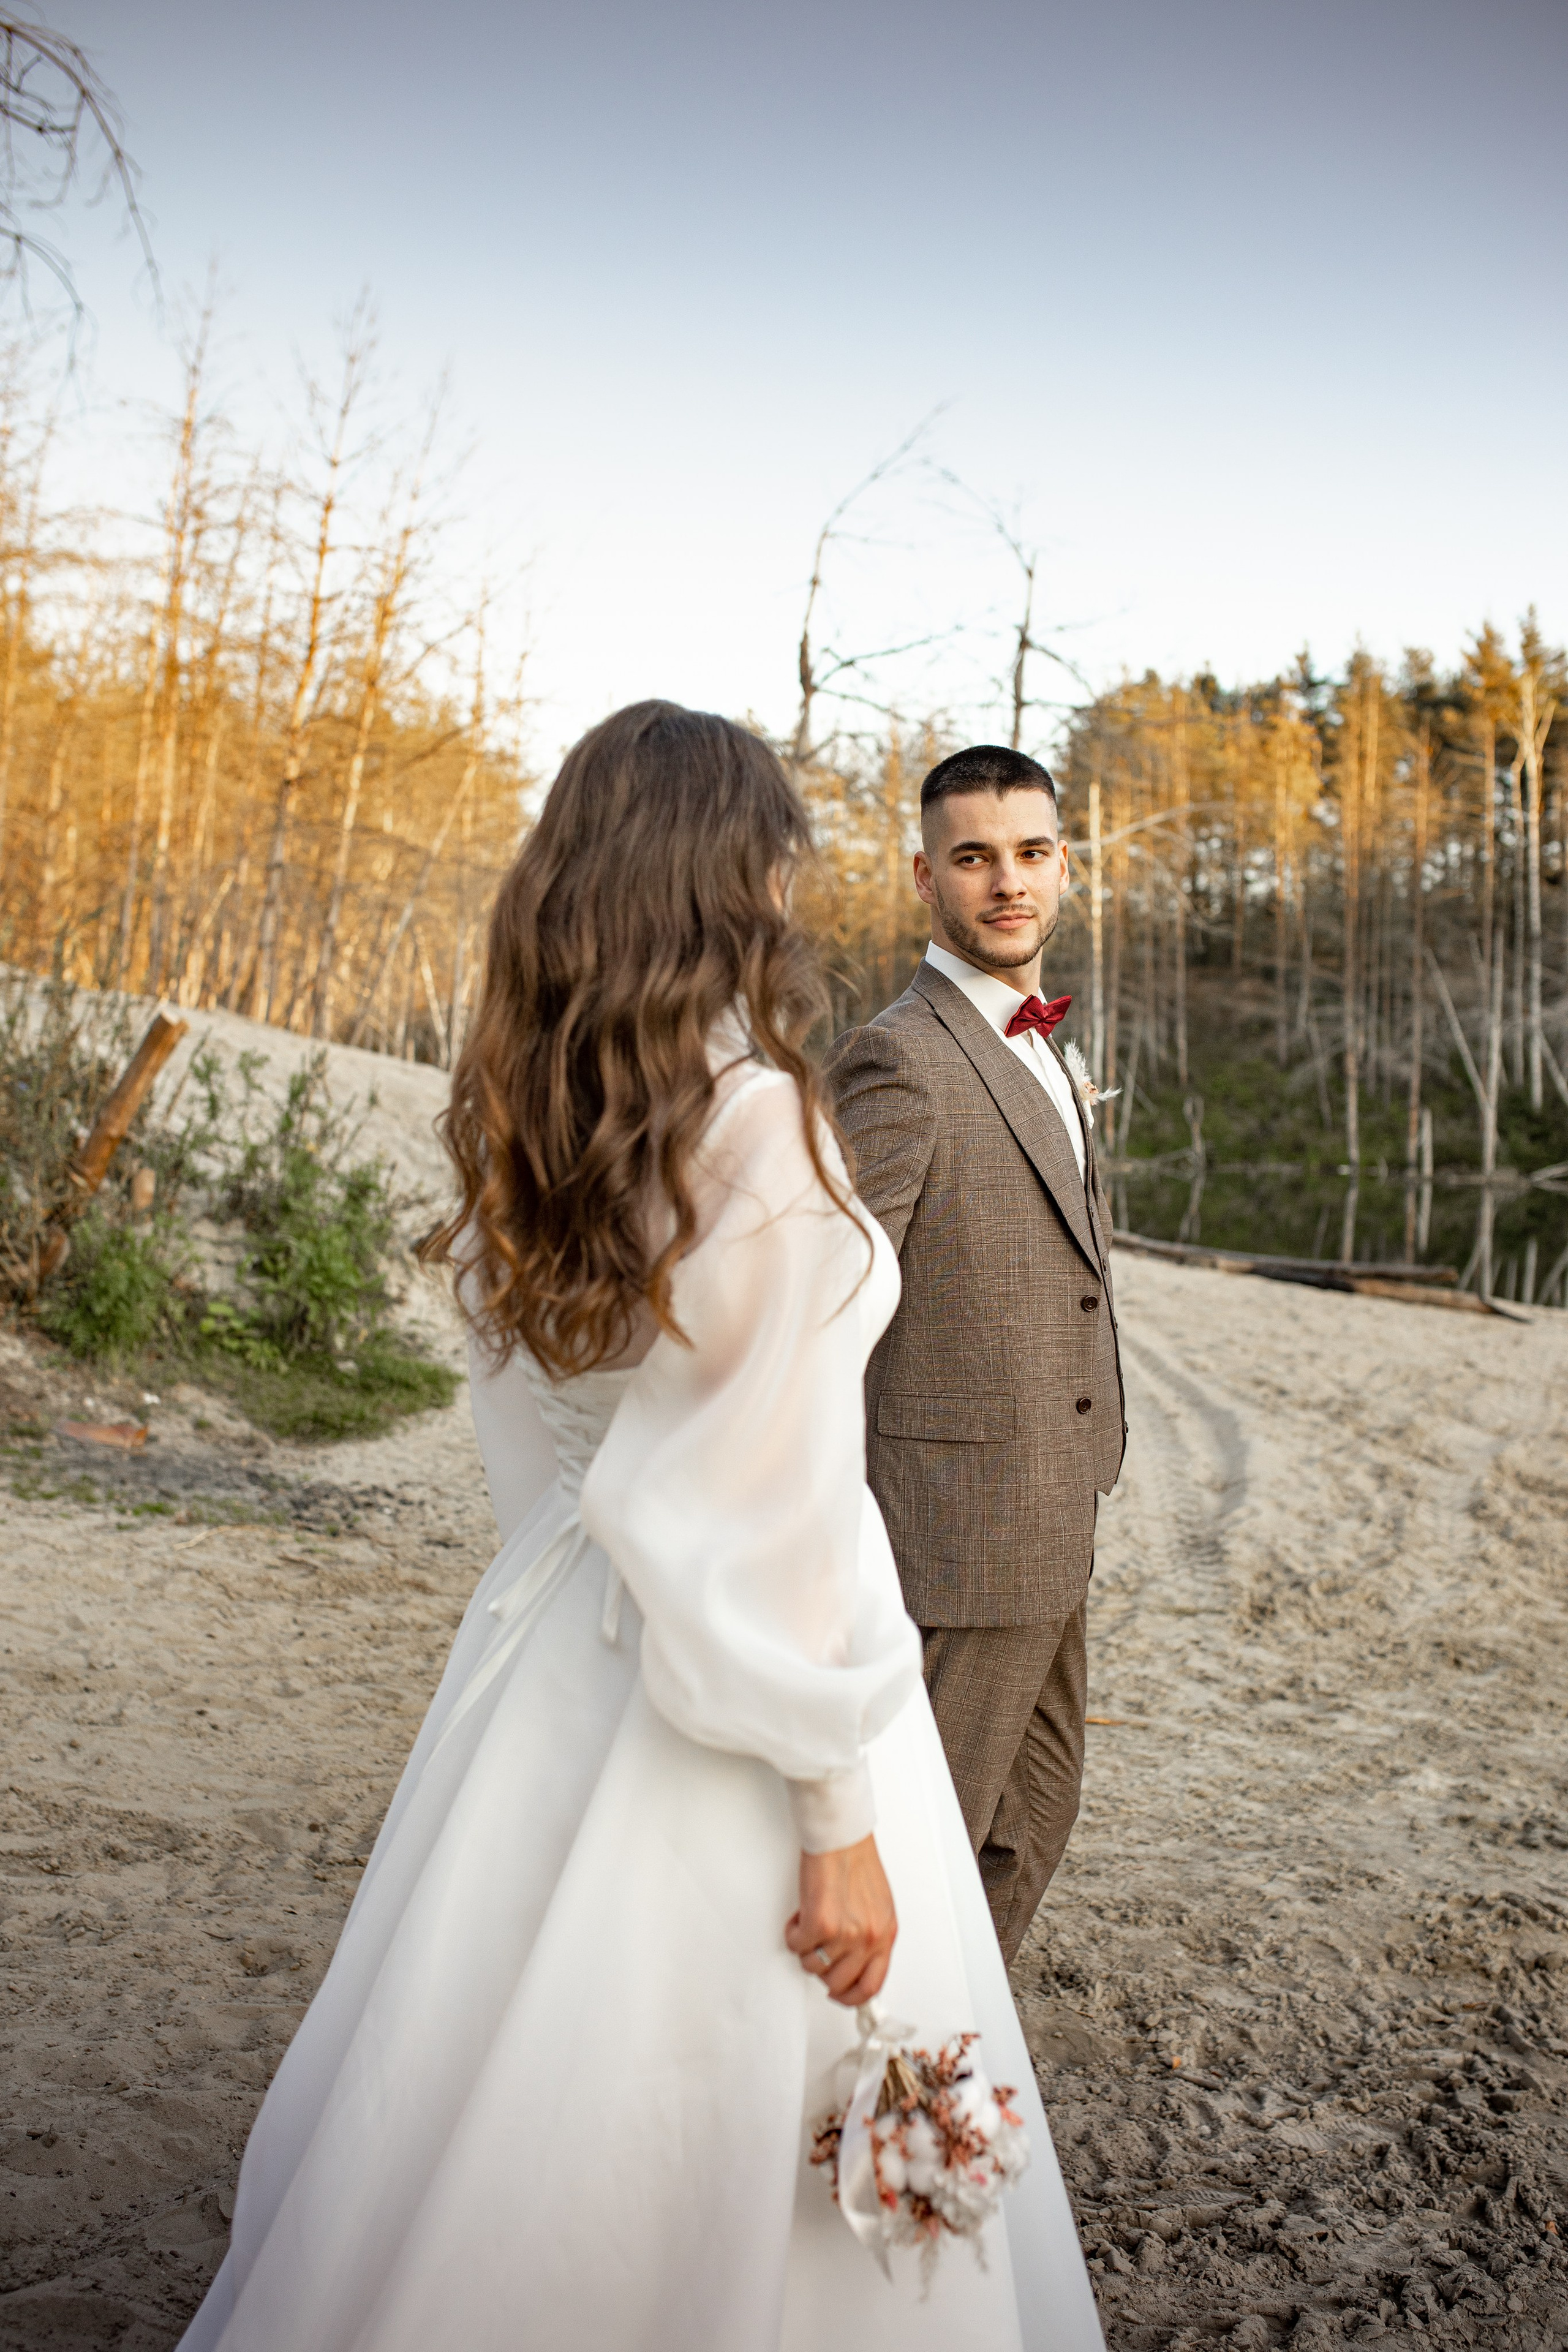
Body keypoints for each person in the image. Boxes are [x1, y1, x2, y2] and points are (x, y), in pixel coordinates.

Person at [175, 704, 1102, 2352]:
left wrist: (576, 1583)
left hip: (552, 1652)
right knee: (802, 2091)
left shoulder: (535, 1113)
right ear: (731, 879)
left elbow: (526, 1439)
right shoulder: (758, 1125)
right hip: (751, 1695)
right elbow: (775, 1494)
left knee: (492, 2080)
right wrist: (834, 1805)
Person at [826, 745, 1125, 1968]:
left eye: (1029, 852)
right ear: (922, 877)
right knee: (920, 1849)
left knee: (1030, 1823)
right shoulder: (897, 1059)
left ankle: (953, 2074)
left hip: (1055, 1511)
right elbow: (824, 1316)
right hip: (951, 1533)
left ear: (1064, 864)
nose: (1007, 883)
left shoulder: (1042, 1043)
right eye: (972, 857)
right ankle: (871, 2109)